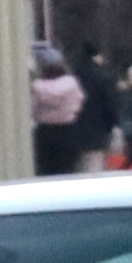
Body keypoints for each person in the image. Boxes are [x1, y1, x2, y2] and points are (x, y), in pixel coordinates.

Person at [31, 47, 87, 176]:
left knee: (45, 171)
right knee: (67, 171)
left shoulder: (36, 87)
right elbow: (79, 101)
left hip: (44, 132)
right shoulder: (71, 84)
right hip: (68, 131)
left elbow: (32, 107)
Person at [69, 44, 120, 173]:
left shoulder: (74, 76)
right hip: (98, 131)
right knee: (94, 167)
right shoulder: (102, 76)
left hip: (75, 131)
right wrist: (113, 124)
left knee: (78, 168)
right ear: (96, 56)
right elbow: (110, 104)